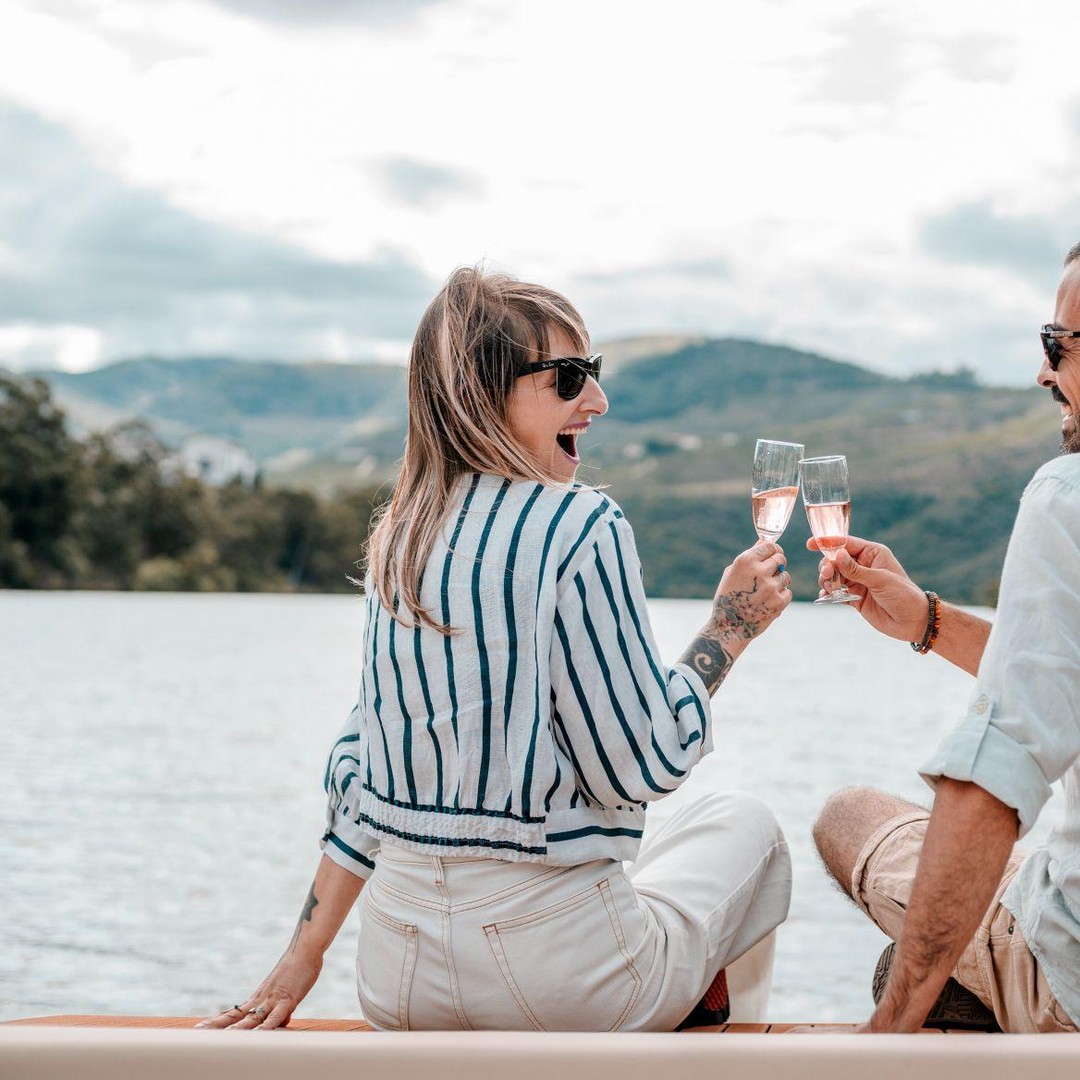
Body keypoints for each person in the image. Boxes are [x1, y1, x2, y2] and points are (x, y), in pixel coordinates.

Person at [196, 267, 793, 1032]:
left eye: (594, 373)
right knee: (747, 827)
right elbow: (639, 766)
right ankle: (704, 1051)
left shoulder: (399, 539)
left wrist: (301, 957)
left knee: (659, 849)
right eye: (569, 378)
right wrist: (728, 631)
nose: (597, 401)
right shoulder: (579, 525)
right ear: (483, 395)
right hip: (559, 981)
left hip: (396, 979)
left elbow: (362, 780)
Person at [807, 244, 1080, 1033]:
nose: (1043, 372)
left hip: (1071, 984)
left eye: (1057, 343)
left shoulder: (1066, 497)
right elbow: (1057, 675)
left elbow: (995, 776)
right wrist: (929, 622)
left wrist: (889, 1030)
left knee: (849, 818)